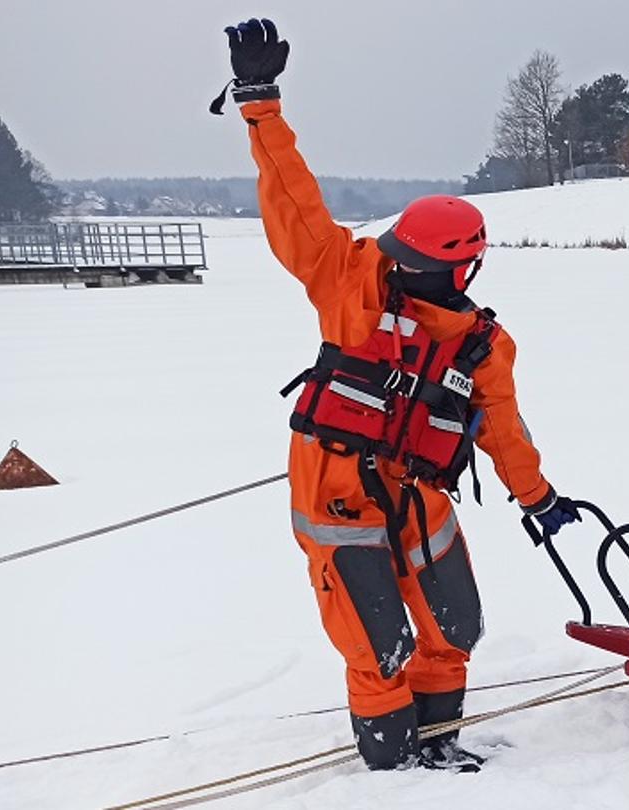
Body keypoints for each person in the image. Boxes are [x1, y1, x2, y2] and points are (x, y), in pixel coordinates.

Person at [222, 18, 582, 771]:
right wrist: (259, 103)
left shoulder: (480, 346)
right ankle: (391, 768)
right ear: (465, 267)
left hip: (419, 489)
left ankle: (439, 742)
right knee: (375, 639)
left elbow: (502, 430)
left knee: (453, 625)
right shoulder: (346, 280)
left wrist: (537, 497)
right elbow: (293, 201)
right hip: (336, 489)